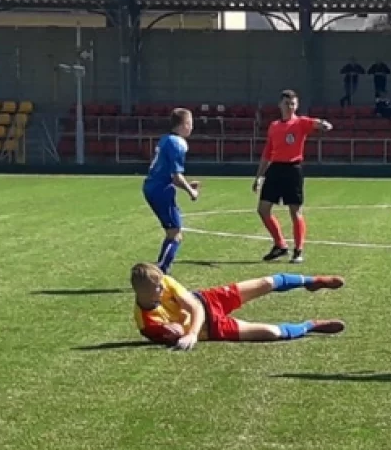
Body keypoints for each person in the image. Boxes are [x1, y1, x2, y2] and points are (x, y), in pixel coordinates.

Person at [131, 263, 346, 350]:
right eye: (157, 288)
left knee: (267, 283)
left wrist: (191, 334)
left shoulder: (165, 281)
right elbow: (171, 334)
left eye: (161, 284)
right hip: (213, 329)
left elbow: (194, 307)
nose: (162, 288)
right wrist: (177, 334)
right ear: (143, 292)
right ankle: (312, 325)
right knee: (272, 333)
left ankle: (312, 281)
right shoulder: (146, 322)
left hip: (208, 301)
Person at [253, 90, 333, 265]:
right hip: (275, 169)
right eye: (287, 103)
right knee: (263, 209)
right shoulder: (274, 126)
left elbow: (318, 123)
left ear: (296, 106)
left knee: (295, 212)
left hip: (293, 170)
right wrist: (259, 176)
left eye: (293, 104)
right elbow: (267, 152)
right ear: (280, 105)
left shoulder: (301, 123)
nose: (290, 107)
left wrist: (324, 124)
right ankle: (280, 245)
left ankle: (298, 250)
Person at [143, 108, 199, 274]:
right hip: (161, 190)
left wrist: (186, 184)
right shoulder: (178, 143)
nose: (191, 128)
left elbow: (169, 174)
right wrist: (191, 191)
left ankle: (161, 269)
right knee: (175, 234)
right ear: (184, 124)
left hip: (153, 186)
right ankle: (160, 273)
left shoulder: (165, 139)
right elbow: (175, 176)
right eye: (190, 124)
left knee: (173, 232)